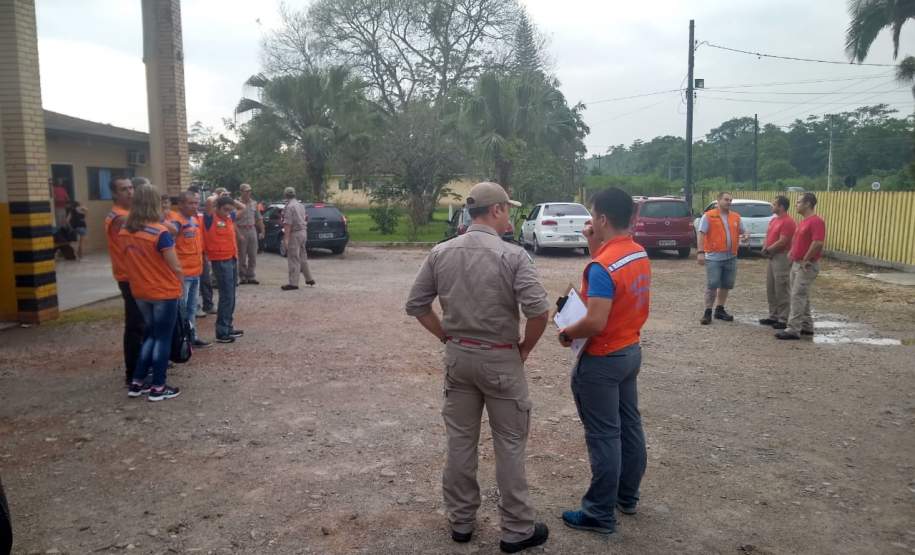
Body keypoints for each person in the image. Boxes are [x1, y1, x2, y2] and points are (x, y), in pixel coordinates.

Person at [405, 182, 551, 554]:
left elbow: (417, 304)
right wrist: (524, 350)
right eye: (508, 209)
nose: (510, 215)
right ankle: (516, 529)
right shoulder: (513, 255)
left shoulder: (441, 252)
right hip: (501, 357)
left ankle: (461, 522)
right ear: (497, 210)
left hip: (459, 358)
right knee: (510, 444)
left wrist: (445, 337)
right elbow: (538, 311)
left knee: (460, 442)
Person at [556, 187, 651, 536]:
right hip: (630, 350)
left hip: (602, 357)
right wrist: (594, 242)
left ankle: (598, 513)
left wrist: (567, 333)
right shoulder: (637, 252)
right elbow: (610, 266)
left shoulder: (602, 266)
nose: (590, 222)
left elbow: (594, 321)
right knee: (629, 426)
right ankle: (627, 496)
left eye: (593, 217)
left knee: (604, 435)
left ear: (603, 219)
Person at [120, 182, 183, 401]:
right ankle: (158, 385)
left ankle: (137, 381)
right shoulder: (160, 232)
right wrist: (181, 282)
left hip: (140, 291)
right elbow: (174, 265)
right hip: (163, 291)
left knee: (149, 335)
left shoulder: (125, 230)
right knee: (162, 338)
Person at [104, 176, 145, 385]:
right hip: (128, 276)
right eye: (124, 189)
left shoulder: (128, 214)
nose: (130, 192)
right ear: (114, 194)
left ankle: (142, 366)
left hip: (138, 275)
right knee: (135, 324)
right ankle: (134, 373)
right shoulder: (119, 218)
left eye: (131, 188)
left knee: (142, 322)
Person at [776, 193, 826, 340]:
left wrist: (805, 258)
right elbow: (799, 240)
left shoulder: (816, 221)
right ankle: (806, 325)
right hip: (797, 263)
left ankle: (793, 329)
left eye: (799, 202)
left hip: (806, 265)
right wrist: (792, 253)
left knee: (797, 295)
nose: (796, 205)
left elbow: (818, 242)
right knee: (801, 295)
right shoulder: (804, 221)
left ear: (808, 204)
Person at [696, 191, 747, 325]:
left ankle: (720, 309)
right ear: (718, 200)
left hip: (731, 257)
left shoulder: (735, 217)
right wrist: (700, 252)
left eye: (730, 200)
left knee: (726, 284)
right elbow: (701, 234)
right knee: (712, 284)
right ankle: (707, 312)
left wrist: (746, 235)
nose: (729, 202)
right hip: (714, 257)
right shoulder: (709, 216)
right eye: (726, 199)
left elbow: (743, 231)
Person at [168, 191, 211, 348]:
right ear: (180, 204)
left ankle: (192, 336)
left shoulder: (194, 220)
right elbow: (169, 246)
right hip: (183, 274)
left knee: (192, 308)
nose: (195, 206)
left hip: (195, 272)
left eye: (195, 203)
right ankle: (181, 341)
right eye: (190, 203)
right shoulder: (176, 222)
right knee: (181, 309)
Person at [203, 194, 244, 343]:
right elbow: (208, 201)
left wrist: (231, 199)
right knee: (226, 295)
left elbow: (243, 208)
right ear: (217, 208)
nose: (228, 212)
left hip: (231, 258)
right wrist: (219, 195)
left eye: (230, 210)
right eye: (225, 209)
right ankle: (222, 331)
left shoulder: (228, 218)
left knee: (231, 295)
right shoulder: (210, 219)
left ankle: (228, 327)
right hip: (220, 261)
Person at [759, 195, 796, 330]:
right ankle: (773, 315)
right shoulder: (774, 220)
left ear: (781, 207)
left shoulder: (788, 221)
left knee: (782, 287)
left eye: (774, 204)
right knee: (771, 287)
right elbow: (768, 235)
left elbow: (783, 241)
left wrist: (768, 249)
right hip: (772, 256)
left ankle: (783, 318)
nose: (772, 206)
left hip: (781, 256)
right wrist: (764, 247)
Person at [280, 187, 316, 290]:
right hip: (303, 232)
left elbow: (288, 224)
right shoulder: (301, 205)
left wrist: (286, 239)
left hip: (295, 233)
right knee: (302, 256)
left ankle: (293, 283)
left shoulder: (289, 206)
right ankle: (309, 278)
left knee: (293, 257)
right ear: (294, 194)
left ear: (285, 195)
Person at [235, 183, 264, 284]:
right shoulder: (236, 203)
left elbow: (259, 218)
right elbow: (232, 220)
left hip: (252, 230)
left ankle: (251, 275)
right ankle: (242, 276)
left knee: (253, 254)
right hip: (241, 229)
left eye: (250, 191)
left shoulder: (254, 203)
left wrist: (262, 231)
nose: (248, 193)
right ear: (241, 192)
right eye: (246, 191)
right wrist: (238, 234)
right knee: (241, 255)